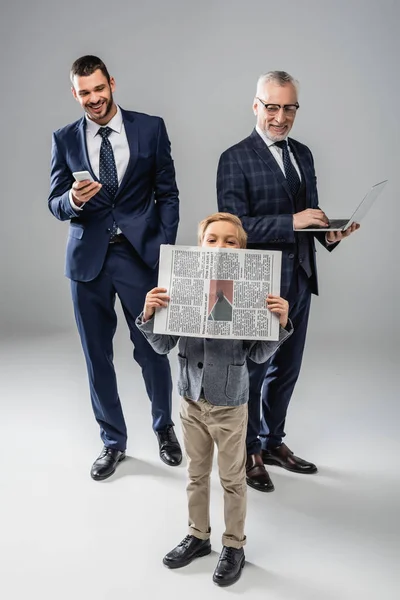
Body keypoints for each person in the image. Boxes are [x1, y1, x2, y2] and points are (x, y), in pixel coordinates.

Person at [217, 71, 359, 492]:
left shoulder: (304, 153)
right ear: (256, 106)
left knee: (287, 369)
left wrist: (328, 233)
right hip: (258, 284)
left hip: (299, 276)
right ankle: (249, 451)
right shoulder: (234, 157)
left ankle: (274, 442)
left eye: (288, 108)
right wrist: (292, 221)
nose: (280, 117)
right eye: (272, 107)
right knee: (256, 370)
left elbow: (308, 216)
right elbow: (232, 227)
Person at [136, 212, 292, 586]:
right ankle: (198, 535)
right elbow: (161, 346)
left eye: (230, 241)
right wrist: (149, 314)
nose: (220, 246)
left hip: (230, 402)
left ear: (242, 249)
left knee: (233, 478)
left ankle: (234, 544)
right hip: (191, 398)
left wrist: (281, 324)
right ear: (200, 245)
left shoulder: (252, 291)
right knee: (195, 474)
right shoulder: (182, 285)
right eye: (212, 240)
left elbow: (256, 356)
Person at [48, 55, 182, 481]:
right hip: (87, 261)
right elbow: (55, 202)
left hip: (139, 257)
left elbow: (169, 194)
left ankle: (164, 429)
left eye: (99, 89)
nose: (93, 99)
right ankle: (112, 442)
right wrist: (74, 201)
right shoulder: (65, 138)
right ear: (75, 94)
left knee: (152, 350)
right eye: (84, 93)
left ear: (112, 84)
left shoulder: (150, 128)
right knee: (97, 357)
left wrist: (163, 247)